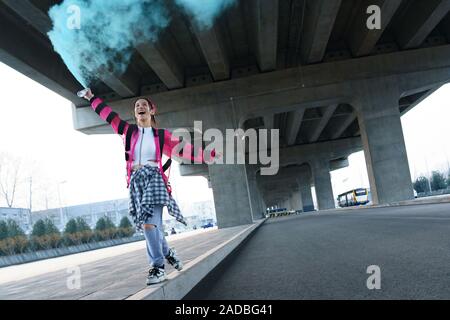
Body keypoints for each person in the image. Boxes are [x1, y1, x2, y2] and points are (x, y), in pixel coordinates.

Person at [80, 89, 218, 285]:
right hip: (136, 183)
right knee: (152, 226)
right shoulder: (128, 131)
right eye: (137, 106)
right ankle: (168, 253)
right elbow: (108, 115)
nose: (140, 107)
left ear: (152, 111)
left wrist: (209, 155)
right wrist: (91, 98)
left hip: (154, 181)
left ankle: (158, 267)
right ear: (135, 114)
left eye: (144, 104)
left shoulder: (161, 136)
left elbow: (184, 150)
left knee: (148, 224)